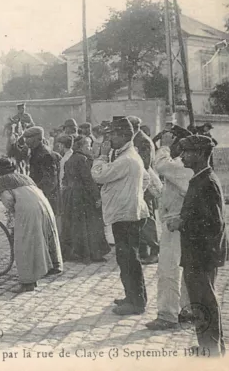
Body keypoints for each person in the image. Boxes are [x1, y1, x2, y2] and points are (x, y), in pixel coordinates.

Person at [170, 135, 228, 357]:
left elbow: (214, 224)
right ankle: (210, 346)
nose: (183, 156)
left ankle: (211, 350)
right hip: (199, 252)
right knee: (201, 301)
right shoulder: (200, 179)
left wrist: (182, 223)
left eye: (188, 152)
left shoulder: (207, 182)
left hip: (202, 254)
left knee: (204, 302)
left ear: (202, 155)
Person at [91, 118, 150, 316]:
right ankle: (132, 297)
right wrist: (131, 193)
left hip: (127, 216)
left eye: (113, 134)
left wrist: (102, 156)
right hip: (128, 212)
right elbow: (147, 178)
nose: (110, 138)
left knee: (129, 259)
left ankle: (137, 302)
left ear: (125, 135)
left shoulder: (125, 159)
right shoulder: (129, 155)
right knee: (126, 258)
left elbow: (98, 175)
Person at [145, 126, 193, 331]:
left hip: (176, 224)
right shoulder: (183, 166)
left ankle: (168, 314)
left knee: (168, 270)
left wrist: (164, 146)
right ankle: (186, 309)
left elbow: (162, 165)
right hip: (179, 221)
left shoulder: (182, 167)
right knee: (183, 269)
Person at [0, 158, 61, 293]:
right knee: (43, 237)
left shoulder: (3, 181)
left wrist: (14, 216)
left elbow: (8, 200)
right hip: (44, 205)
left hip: (28, 210)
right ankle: (52, 266)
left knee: (24, 244)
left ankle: (28, 282)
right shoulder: (24, 176)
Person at [61, 136, 110, 262]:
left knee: (76, 225)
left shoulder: (70, 159)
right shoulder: (83, 160)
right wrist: (97, 197)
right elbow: (89, 181)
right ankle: (92, 253)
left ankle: (76, 252)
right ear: (82, 147)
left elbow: (65, 180)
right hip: (83, 196)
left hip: (71, 196)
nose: (90, 148)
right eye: (88, 146)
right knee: (90, 223)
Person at [22, 126, 62, 275]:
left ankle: (54, 265)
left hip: (46, 198)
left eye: (29, 139)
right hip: (40, 196)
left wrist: (36, 192)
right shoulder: (35, 152)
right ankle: (47, 263)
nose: (26, 141)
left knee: (48, 231)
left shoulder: (44, 155)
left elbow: (49, 182)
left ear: (38, 138)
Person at [127, 116, 160, 265]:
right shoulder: (136, 139)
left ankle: (154, 250)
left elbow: (145, 164)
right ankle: (143, 250)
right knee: (140, 217)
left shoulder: (143, 141)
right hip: (138, 183)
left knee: (148, 218)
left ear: (134, 126)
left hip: (145, 184)